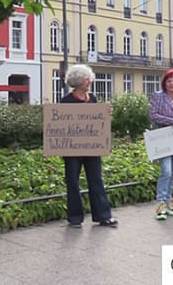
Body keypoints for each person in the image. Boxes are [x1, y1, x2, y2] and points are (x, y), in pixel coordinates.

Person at [60, 64, 118, 228]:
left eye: (89, 78)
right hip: (72, 149)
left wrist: (106, 114)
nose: (89, 81)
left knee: (96, 180)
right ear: (77, 81)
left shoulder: (92, 99)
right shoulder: (66, 101)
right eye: (86, 78)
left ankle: (103, 216)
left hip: (92, 147)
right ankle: (75, 218)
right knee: (72, 182)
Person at [149, 68, 173, 220]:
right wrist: (172, 121)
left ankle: (169, 202)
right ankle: (160, 205)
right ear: (165, 82)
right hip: (162, 139)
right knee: (166, 171)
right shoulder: (158, 96)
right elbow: (153, 115)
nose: (172, 84)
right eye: (169, 81)